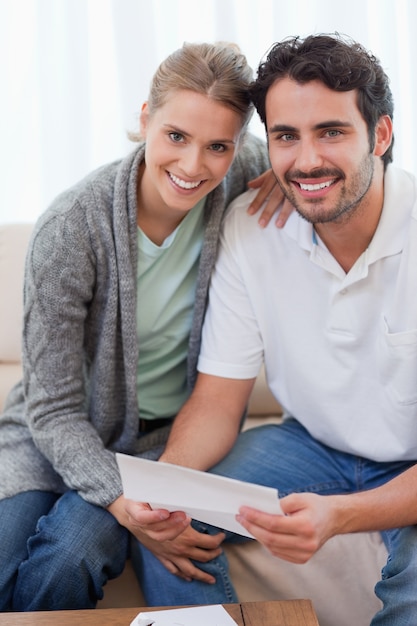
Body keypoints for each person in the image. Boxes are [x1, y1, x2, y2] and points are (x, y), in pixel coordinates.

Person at [129, 34, 417, 624]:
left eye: (331, 131)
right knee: (170, 529)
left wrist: (342, 515)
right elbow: (215, 399)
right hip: (310, 445)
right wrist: (170, 488)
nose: (306, 160)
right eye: (286, 136)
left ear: (380, 135)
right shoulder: (251, 226)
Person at [0, 41, 291, 611]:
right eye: (176, 137)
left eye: (217, 147)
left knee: (70, 555)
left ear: (237, 148)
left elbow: (349, 161)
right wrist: (117, 495)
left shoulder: (242, 174)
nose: (192, 166)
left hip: (165, 444)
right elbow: (52, 410)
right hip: (52, 434)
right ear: (144, 118)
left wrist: (291, 174)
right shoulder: (71, 228)